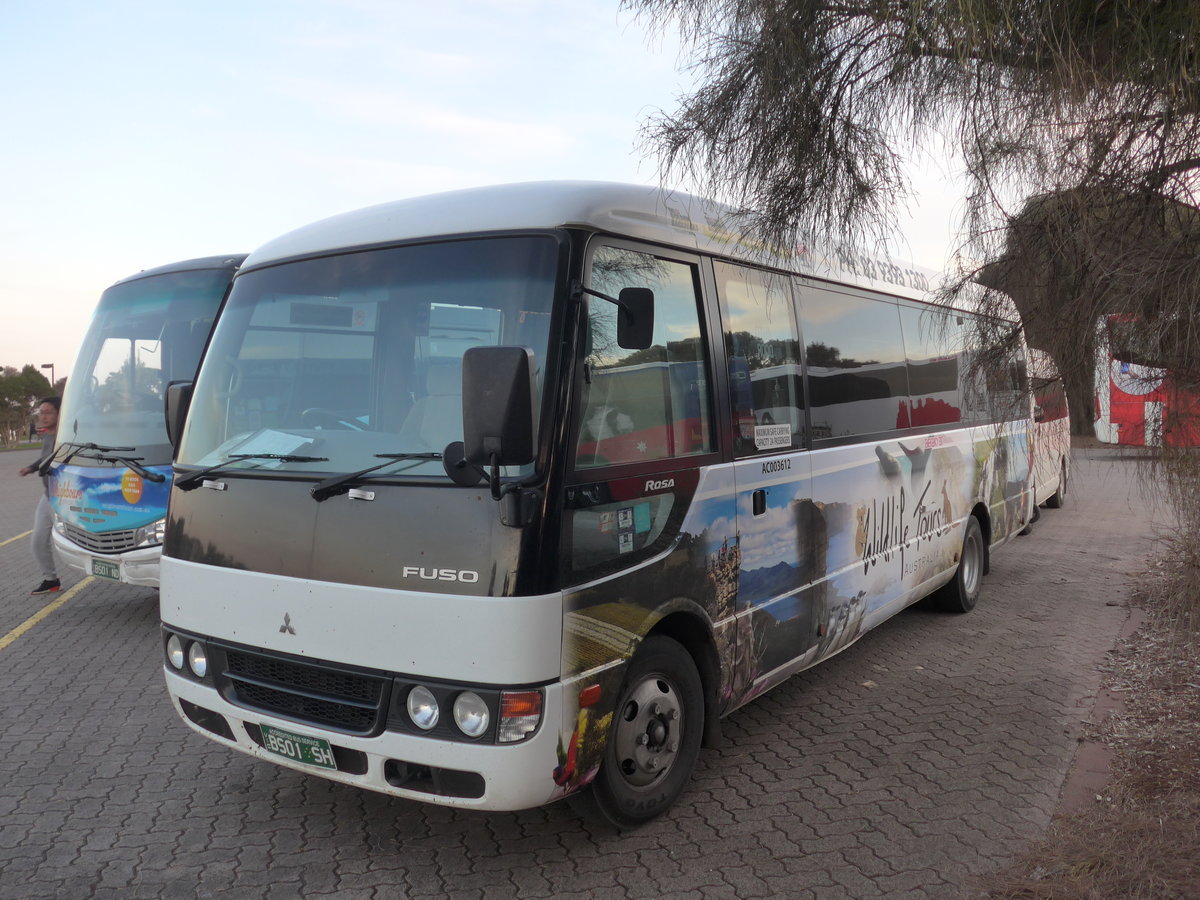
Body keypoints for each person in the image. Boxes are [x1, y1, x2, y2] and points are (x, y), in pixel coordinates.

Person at [18, 396, 61, 595]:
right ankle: (50, 580)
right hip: (48, 496)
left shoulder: (65, 437)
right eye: (40, 413)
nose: (43, 417)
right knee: (38, 540)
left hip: (65, 497)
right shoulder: (48, 435)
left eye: (47, 412)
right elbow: (44, 458)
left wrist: (38, 467)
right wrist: (32, 467)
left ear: (59, 413)